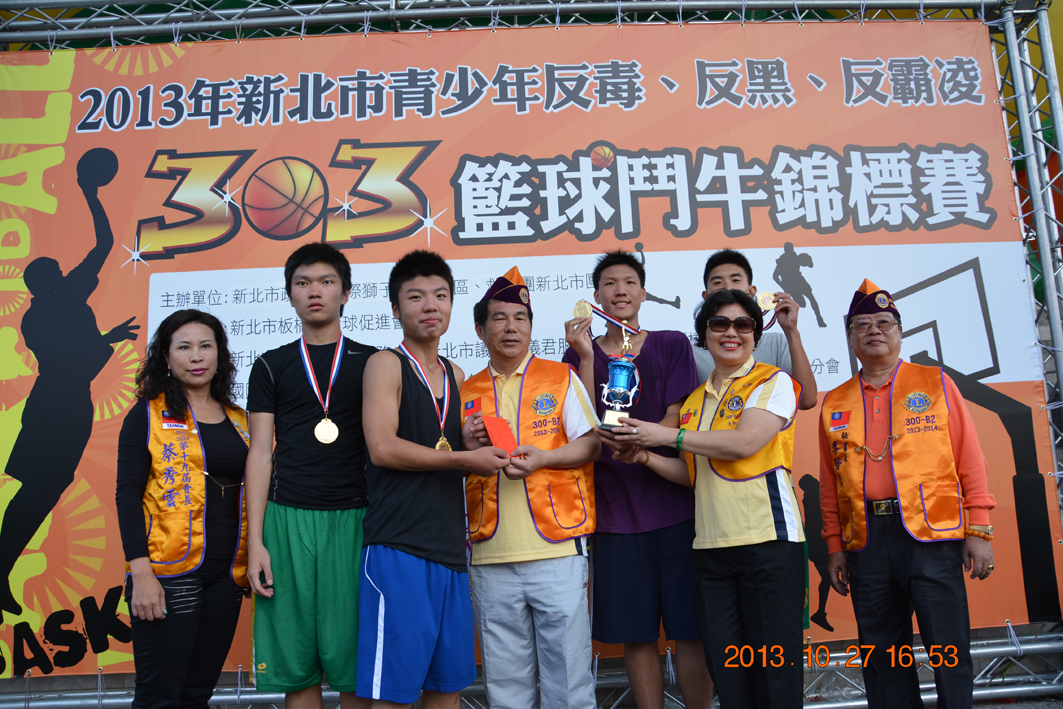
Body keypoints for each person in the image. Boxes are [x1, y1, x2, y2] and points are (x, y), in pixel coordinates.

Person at [613, 288, 805, 709]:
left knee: (774, 676)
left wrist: (665, 436)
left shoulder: (773, 381)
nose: (731, 332)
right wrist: (645, 456)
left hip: (768, 543)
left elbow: (744, 443)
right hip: (711, 551)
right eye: (719, 324)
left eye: (743, 325)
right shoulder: (695, 401)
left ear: (755, 335)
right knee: (728, 674)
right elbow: (694, 474)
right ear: (704, 335)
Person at [819, 278, 996, 709]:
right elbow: (829, 482)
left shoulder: (935, 383)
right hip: (866, 541)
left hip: (931, 535)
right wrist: (835, 546)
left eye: (884, 323)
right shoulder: (835, 402)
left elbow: (970, 459)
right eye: (862, 325)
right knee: (882, 656)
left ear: (900, 332)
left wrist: (979, 529)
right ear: (850, 338)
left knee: (948, 648)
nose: (873, 331)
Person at [358, 250, 510, 709]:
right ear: (395, 308)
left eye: (440, 295)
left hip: (450, 549)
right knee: (394, 693)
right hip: (398, 546)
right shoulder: (385, 364)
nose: (430, 305)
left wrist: (471, 445)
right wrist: (464, 458)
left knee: (447, 687)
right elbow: (382, 448)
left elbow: (453, 452)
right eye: (416, 296)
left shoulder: (457, 374)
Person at [563, 250, 713, 709]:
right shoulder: (577, 352)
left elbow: (676, 415)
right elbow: (585, 420)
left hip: (676, 506)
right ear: (596, 296)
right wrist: (585, 355)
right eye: (610, 283)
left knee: (690, 631)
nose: (620, 290)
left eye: (629, 282)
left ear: (644, 293)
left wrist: (638, 442)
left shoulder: (670, 343)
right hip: (614, 512)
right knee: (637, 634)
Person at [1, 148, 139, 615]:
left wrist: (90, 195)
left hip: (72, 403)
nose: (63, 274)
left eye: (60, 271)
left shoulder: (61, 299)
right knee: (37, 489)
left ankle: (1, 569)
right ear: (39, 285)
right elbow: (67, 360)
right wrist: (106, 340)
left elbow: (104, 244)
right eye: (54, 273)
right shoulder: (40, 315)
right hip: (54, 405)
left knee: (46, 489)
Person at [461, 266, 601, 709]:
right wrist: (465, 448)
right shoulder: (464, 390)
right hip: (489, 554)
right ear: (480, 330)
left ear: (531, 327)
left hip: (557, 548)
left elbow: (592, 444)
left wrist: (543, 459)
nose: (511, 327)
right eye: (499, 318)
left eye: (520, 318)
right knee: (505, 686)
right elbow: (448, 463)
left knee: (569, 680)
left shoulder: (560, 377)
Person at [245, 243, 375, 709]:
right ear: (290, 295)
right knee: (296, 663)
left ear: (346, 293)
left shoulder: (374, 362)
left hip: (357, 519)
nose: (314, 291)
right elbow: (260, 454)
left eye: (326, 282)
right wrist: (256, 542)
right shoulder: (270, 364)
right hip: (286, 520)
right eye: (302, 283)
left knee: (355, 664)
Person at [115, 309, 247, 709]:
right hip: (168, 574)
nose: (196, 356)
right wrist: (141, 574)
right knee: (159, 696)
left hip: (227, 576)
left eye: (206, 346)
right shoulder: (147, 414)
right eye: (184, 347)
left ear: (220, 354)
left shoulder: (240, 419)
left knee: (197, 694)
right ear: (166, 357)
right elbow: (127, 494)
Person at [697, 249, 817, 410]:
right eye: (717, 283)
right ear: (706, 296)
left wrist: (791, 331)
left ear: (752, 291)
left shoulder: (775, 343)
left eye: (736, 280)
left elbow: (806, 400)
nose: (728, 288)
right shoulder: (691, 353)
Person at [773, 242, 827, 328]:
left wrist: (806, 261)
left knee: (812, 299)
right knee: (801, 304)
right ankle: (790, 322)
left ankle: (820, 320)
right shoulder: (782, 261)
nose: (790, 250)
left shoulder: (796, 257)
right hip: (790, 285)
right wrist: (784, 286)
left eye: (791, 248)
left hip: (799, 281)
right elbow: (775, 276)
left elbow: (810, 264)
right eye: (788, 248)